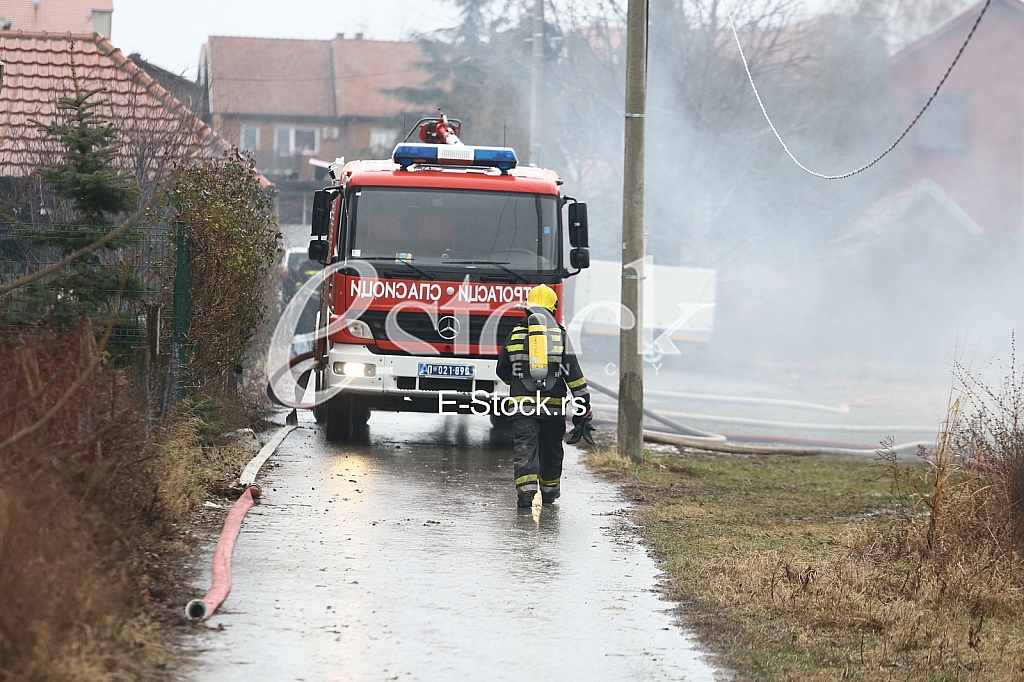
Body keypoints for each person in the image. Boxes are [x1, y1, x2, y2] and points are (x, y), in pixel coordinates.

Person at [495, 284, 593, 508]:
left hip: (522, 407)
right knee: (551, 449)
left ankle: (526, 495)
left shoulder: (516, 334)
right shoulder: (560, 335)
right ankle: (549, 494)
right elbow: (574, 375)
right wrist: (583, 404)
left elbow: (502, 370)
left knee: (525, 448)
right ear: (553, 308)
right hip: (553, 407)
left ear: (528, 309)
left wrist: (519, 383)